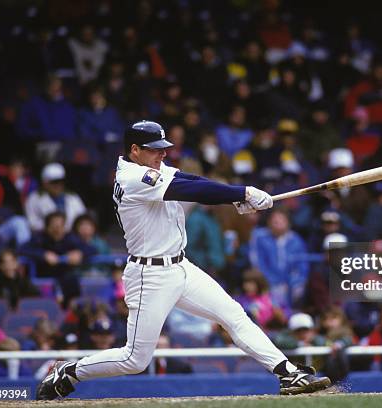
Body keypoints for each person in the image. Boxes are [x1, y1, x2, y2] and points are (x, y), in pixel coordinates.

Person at [36, 120, 330, 399]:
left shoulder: (148, 166)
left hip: (180, 266)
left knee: (233, 314)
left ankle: (288, 373)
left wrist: (237, 198)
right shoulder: (132, 176)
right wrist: (243, 192)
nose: (162, 153)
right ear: (134, 150)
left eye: (163, 148)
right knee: (135, 359)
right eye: (154, 149)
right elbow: (190, 190)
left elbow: (190, 179)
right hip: (149, 275)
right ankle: (68, 371)